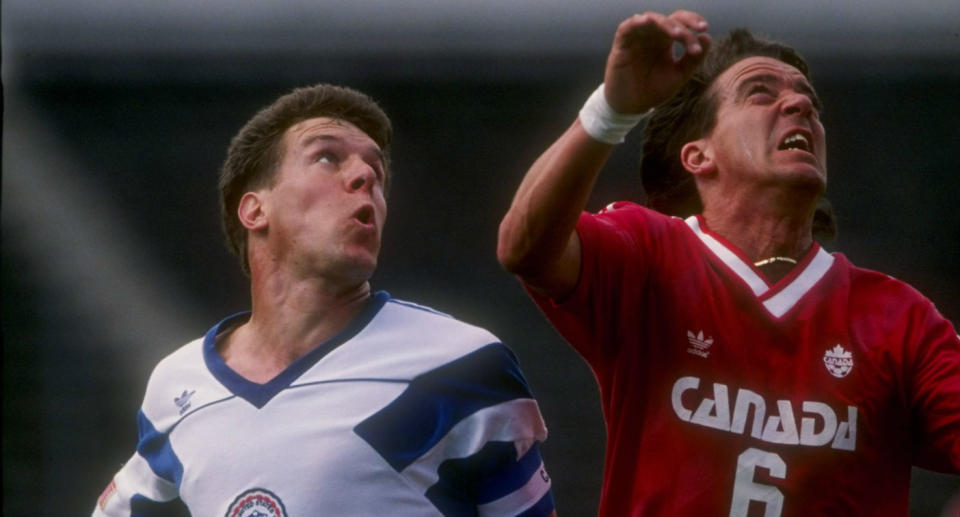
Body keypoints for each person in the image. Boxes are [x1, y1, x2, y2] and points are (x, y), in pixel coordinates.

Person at [497, 9, 960, 517]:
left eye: (809, 99)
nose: (801, 103)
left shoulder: (900, 317)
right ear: (698, 156)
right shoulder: (651, 253)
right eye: (761, 92)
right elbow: (523, 246)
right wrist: (611, 110)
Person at [93, 84, 556, 517]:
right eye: (328, 158)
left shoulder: (462, 364)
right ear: (255, 209)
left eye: (375, 172)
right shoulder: (176, 385)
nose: (365, 178)